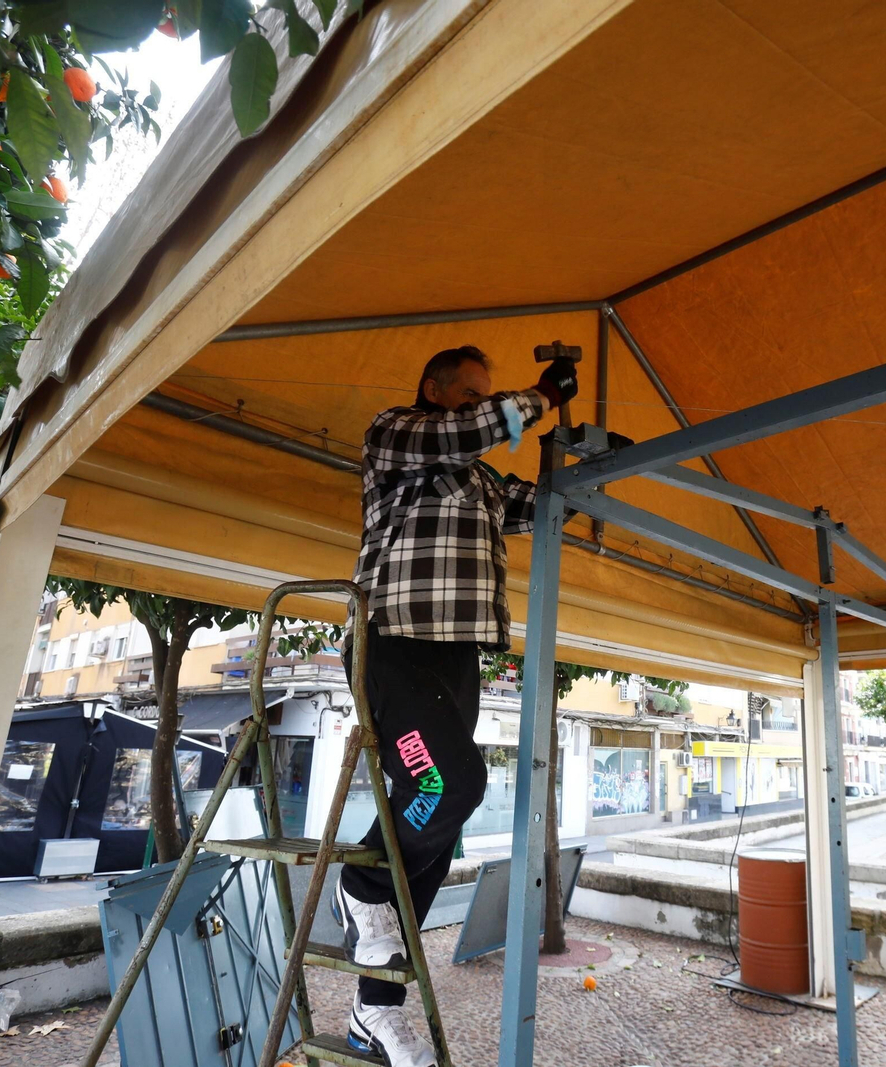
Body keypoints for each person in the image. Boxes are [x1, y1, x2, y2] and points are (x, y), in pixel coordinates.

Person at [334, 344, 582, 1067]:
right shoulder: (397, 435)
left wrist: (596, 479)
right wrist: (537, 399)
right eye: (471, 392)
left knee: (435, 819)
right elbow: (464, 430)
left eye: (485, 394)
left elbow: (544, 509)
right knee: (453, 783)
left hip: (457, 655)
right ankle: (362, 882)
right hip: (394, 640)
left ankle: (370, 1015)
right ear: (434, 389)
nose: (480, 403)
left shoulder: (479, 478)